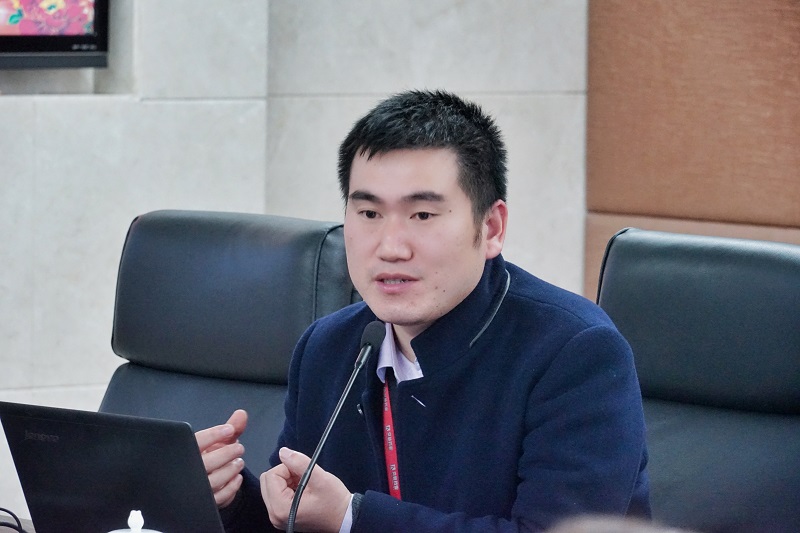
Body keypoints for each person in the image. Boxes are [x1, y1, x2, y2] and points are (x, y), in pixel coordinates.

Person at [196, 90, 650, 532]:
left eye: (423, 216)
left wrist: (353, 519)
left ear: (491, 228)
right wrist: (230, 499)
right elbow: (300, 517)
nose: (391, 247)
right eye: (369, 214)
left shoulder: (575, 353)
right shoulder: (327, 347)